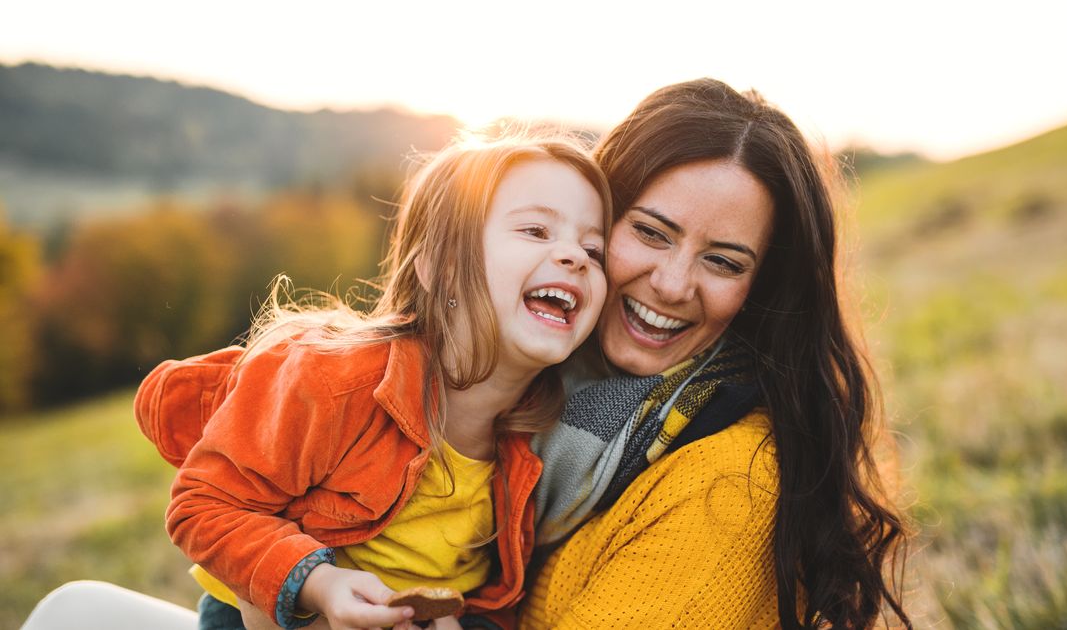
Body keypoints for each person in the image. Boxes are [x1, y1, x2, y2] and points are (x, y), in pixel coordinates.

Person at [135, 132, 611, 630]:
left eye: (594, 249)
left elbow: (487, 589)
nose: (575, 256)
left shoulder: (545, 437)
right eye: (536, 230)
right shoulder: (334, 380)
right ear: (441, 267)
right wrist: (319, 584)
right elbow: (203, 505)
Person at [521, 79, 911, 629]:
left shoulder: (727, 485)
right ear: (594, 221)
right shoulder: (518, 383)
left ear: (762, 288)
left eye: (724, 262)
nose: (673, 285)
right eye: (652, 233)